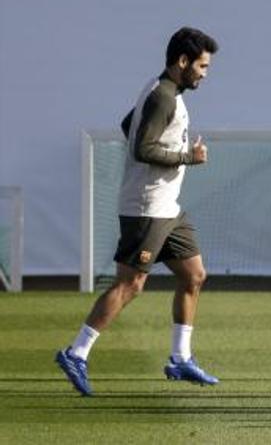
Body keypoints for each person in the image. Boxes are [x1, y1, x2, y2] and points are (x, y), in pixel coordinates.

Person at [56, 27, 220, 396]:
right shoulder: (164, 96)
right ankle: (76, 353)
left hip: (167, 207)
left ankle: (180, 359)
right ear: (182, 62)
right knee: (131, 284)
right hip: (147, 207)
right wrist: (187, 158)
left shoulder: (162, 89)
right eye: (202, 66)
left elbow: (129, 126)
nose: (205, 74)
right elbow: (142, 149)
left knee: (194, 275)